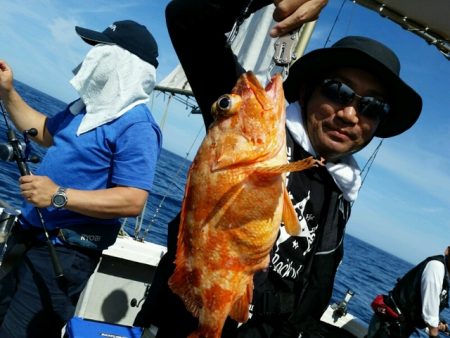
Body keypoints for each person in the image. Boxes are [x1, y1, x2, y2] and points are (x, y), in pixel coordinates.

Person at [133, 1, 422, 337]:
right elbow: (188, 22)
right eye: (338, 90)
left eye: (372, 107)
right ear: (308, 90)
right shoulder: (246, 129)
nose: (350, 114)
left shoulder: (341, 192)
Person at [0, 20, 162, 338]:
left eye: (102, 48)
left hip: (64, 253)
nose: (93, 55)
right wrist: (7, 92)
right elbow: (45, 131)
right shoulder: (84, 109)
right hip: (29, 236)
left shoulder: (137, 126)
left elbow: (133, 199)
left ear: (123, 63)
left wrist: (58, 195)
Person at [368, 246, 450, 338]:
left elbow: (426, 304)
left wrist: (439, 322)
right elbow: (430, 312)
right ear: (447, 251)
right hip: (389, 325)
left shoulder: (445, 278)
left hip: (400, 327)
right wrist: (434, 333)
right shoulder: (437, 267)